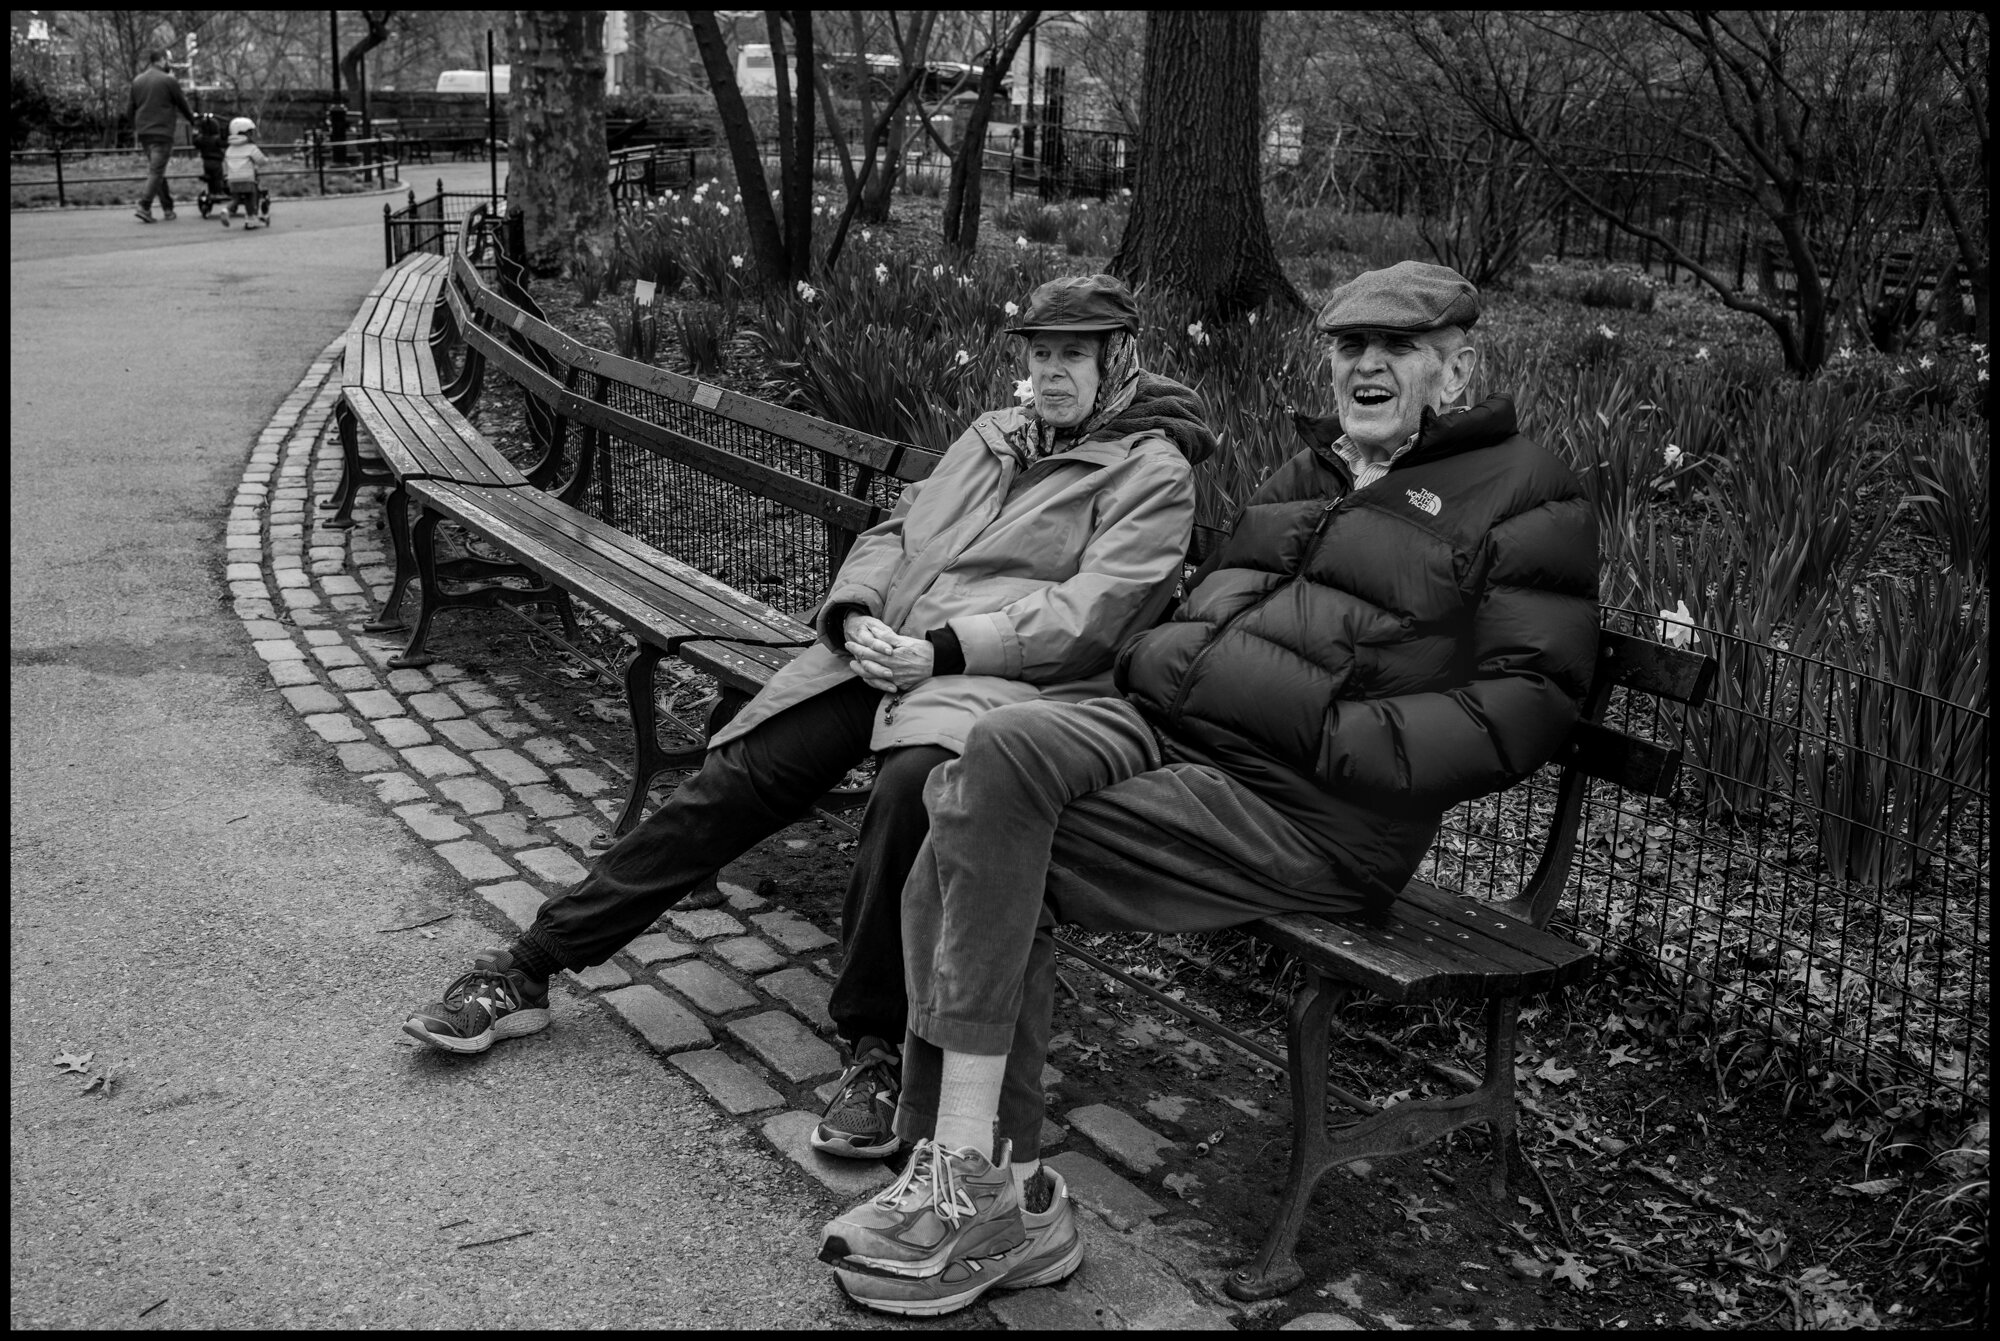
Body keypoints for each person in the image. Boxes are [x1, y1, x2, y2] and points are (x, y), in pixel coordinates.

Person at [816, 260, 1602, 1316]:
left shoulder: (1523, 491)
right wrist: (1158, 666)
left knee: (973, 825)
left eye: (1396, 349)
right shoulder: (1307, 474)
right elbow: (1205, 611)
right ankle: (981, 1178)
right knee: (985, 760)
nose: (1365, 366)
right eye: (1346, 347)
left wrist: (1335, 733)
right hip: (1171, 736)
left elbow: (1530, 701)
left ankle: (972, 1173)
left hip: (1306, 809)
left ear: (1454, 370)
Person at [400, 274, 1219, 1160]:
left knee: (913, 791)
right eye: (1041, 353)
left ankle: (876, 1049)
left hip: (998, 686)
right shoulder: (993, 436)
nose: (1053, 373)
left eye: (1075, 355)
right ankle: (531, 965)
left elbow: (1095, 612)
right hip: (880, 654)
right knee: (739, 779)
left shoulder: (1153, 471)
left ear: (1118, 359)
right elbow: (894, 533)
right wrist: (857, 610)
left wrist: (941, 651)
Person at [129, 49, 195, 224]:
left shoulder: (137, 80)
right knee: (156, 171)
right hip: (162, 131)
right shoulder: (168, 80)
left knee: (157, 170)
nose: (169, 64)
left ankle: (168, 208)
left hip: (144, 131)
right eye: (168, 60)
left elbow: (131, 108)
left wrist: (135, 127)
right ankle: (144, 206)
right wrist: (194, 122)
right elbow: (182, 104)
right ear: (162, 60)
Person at [221, 117, 271, 228]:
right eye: (250, 132)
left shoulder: (230, 149)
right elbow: (261, 161)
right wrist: (266, 160)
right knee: (250, 198)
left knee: (236, 199)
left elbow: (225, 162)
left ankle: (226, 210)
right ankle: (250, 219)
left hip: (232, 179)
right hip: (247, 178)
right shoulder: (251, 148)